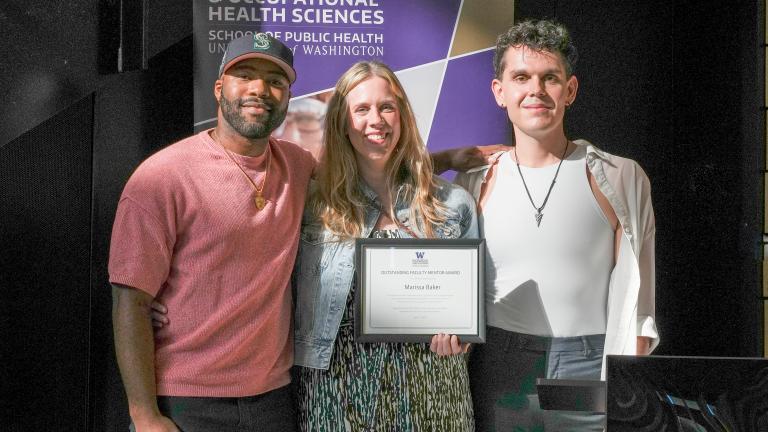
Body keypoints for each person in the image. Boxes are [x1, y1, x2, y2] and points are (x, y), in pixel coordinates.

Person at [454, 19, 659, 431]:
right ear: (500, 92)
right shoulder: (476, 180)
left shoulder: (620, 176)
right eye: (521, 77)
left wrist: (630, 377)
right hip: (500, 364)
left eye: (550, 78)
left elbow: (640, 296)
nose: (536, 90)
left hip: (589, 362)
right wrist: (442, 158)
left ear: (570, 90)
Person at [109, 33, 315, 432]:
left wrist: (446, 159)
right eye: (246, 75)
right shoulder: (162, 177)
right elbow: (130, 303)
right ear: (220, 87)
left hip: (274, 400)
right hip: (183, 402)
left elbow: (365, 170)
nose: (260, 89)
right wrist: (145, 415)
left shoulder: (298, 165)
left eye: (275, 81)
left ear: (288, 96)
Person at [292, 60, 478, 431]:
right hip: (338, 392)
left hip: (434, 390)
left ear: (403, 116)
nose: (375, 119)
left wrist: (462, 338)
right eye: (361, 109)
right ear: (342, 124)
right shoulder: (313, 204)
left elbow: (474, 303)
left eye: (386, 107)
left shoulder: (453, 203)